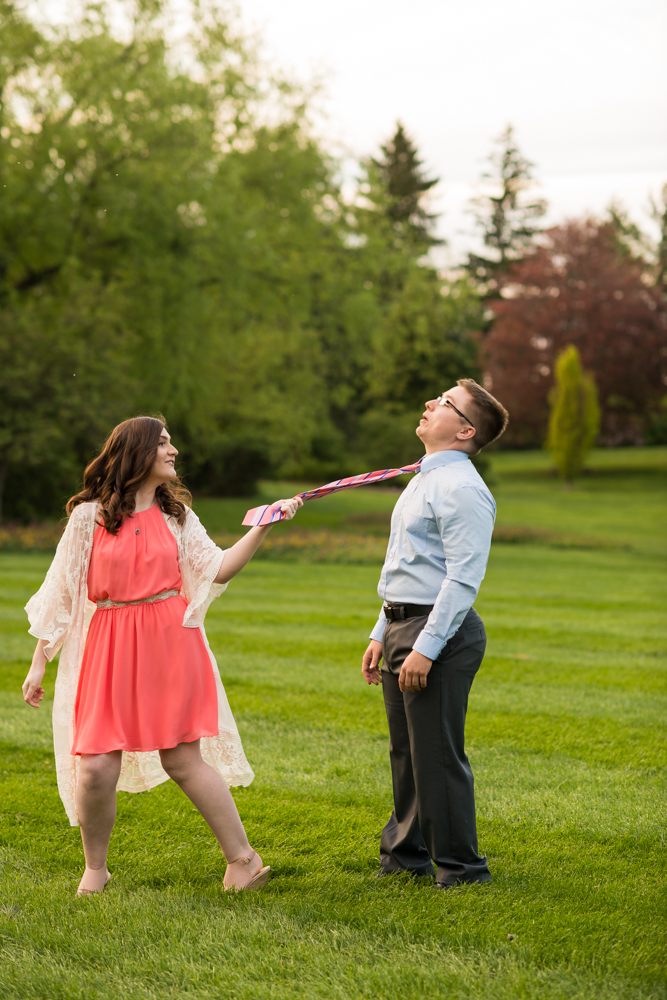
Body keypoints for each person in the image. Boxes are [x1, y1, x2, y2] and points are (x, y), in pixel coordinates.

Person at [22, 415, 302, 895]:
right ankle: (96, 868)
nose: (173, 451)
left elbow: (217, 568)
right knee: (94, 766)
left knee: (182, 758)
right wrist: (40, 659)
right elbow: (61, 591)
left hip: (171, 642)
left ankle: (244, 860)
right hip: (109, 644)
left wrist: (263, 525)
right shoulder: (89, 516)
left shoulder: (178, 517)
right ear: (137, 452)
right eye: (164, 443)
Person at [362, 378, 509, 889]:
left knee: (437, 755)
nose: (429, 403)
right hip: (404, 624)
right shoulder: (424, 477)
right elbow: (410, 566)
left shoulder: (462, 487)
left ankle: (462, 870)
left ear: (466, 430)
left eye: (445, 403)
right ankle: (405, 855)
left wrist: (425, 647)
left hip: (438, 633)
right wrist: (383, 629)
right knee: (407, 753)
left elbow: (462, 578)